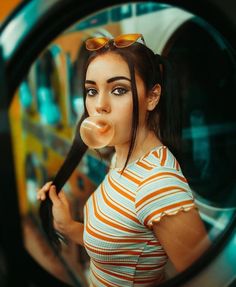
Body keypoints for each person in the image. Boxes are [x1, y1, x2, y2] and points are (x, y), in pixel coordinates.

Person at [37, 33, 210, 287]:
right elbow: (119, 247)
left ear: (152, 97)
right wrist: (67, 226)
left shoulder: (159, 185)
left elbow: (210, 279)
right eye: (92, 91)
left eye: (119, 90)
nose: (99, 106)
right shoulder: (122, 156)